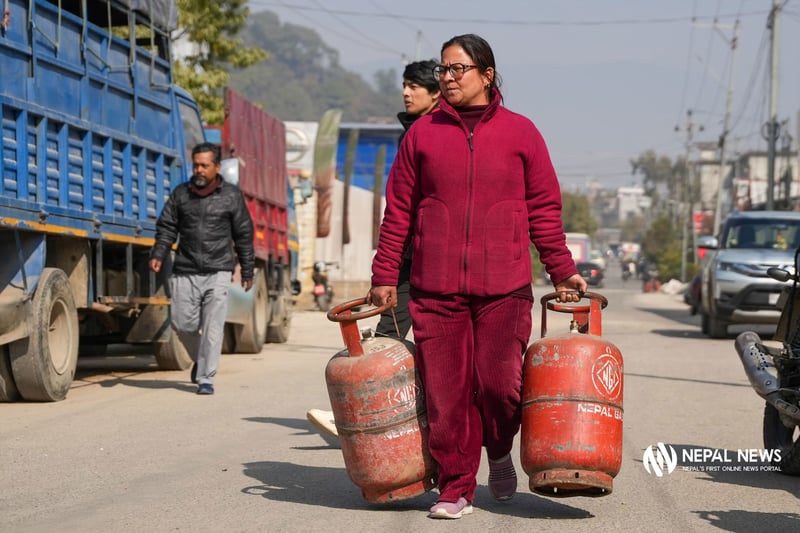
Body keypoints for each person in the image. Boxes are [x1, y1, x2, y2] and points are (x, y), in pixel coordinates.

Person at [368, 34, 587, 519]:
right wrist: (385, 274)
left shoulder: (522, 133)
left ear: (487, 75)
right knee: (447, 395)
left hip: (503, 289)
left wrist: (562, 270)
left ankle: (500, 449)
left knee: (500, 388)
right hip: (434, 288)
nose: (447, 78)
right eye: (443, 70)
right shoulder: (421, 137)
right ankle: (456, 487)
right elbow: (399, 211)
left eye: (457, 69)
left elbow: (544, 210)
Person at [306, 59, 441, 437]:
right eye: (404, 85)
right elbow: (399, 205)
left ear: (436, 94)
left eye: (415, 86)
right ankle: (366, 411)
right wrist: (387, 263)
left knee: (436, 345)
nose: (406, 92)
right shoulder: (411, 133)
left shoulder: (440, 133)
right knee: (387, 332)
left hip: (438, 257)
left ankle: (429, 418)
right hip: (406, 253)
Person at [150, 142, 255, 396]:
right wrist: (159, 253)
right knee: (181, 323)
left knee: (213, 327)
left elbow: (243, 234)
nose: (198, 170)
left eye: (204, 165)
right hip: (185, 269)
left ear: (216, 167)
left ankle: (206, 377)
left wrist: (248, 271)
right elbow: (166, 227)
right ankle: (201, 357)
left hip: (218, 270)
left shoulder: (231, 196)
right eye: (195, 164)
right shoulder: (181, 194)